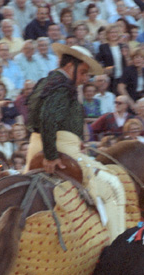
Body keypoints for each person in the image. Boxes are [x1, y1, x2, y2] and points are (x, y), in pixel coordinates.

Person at [24, 43, 125, 241]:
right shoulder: (61, 86)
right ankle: (117, 248)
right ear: (71, 66)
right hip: (58, 149)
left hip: (37, 146)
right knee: (113, 187)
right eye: (84, 72)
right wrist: (51, 155)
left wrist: (74, 139)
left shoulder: (46, 83)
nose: (85, 79)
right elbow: (48, 118)